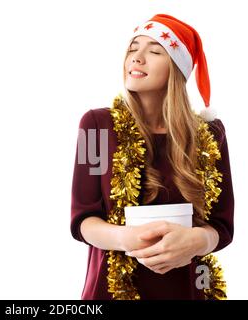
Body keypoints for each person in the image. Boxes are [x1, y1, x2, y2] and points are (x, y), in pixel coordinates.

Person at [70, 14, 234, 300]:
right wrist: (124, 238)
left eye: (155, 51)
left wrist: (198, 240)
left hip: (189, 289)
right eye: (133, 49)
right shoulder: (95, 126)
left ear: (176, 68)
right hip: (110, 291)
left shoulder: (211, 133)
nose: (137, 58)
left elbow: (222, 225)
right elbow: (83, 219)